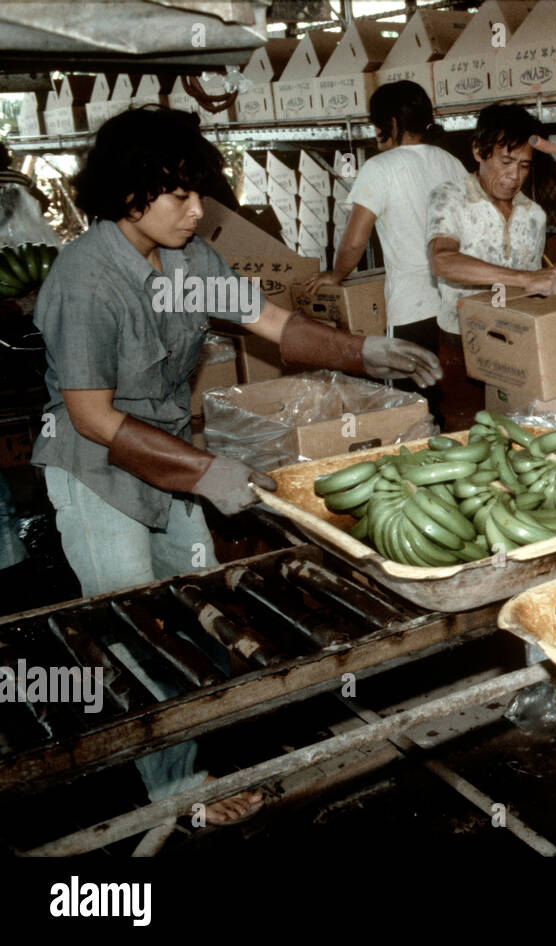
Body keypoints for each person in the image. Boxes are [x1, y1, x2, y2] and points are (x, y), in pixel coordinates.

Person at [31, 107, 441, 825]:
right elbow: (95, 419)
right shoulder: (85, 281)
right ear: (129, 193)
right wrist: (211, 475)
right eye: (179, 196)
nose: (197, 211)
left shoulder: (189, 263)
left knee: (199, 610)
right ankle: (174, 794)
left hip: (170, 454)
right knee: (135, 624)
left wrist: (366, 351)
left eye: (198, 194)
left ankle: (202, 754)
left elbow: (275, 325)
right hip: (97, 468)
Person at [300, 81, 463, 420]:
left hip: (410, 307)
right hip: (455, 300)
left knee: (407, 403)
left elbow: (356, 239)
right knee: (443, 392)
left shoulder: (380, 167)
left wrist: (337, 274)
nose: (374, 131)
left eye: (376, 123)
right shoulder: (450, 162)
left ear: (391, 123)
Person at [427, 103, 556, 431]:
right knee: (466, 438)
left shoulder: (534, 215)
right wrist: (523, 278)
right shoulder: (451, 198)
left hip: (516, 346)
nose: (513, 176)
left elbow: (532, 295)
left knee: (520, 435)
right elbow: (443, 261)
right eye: (505, 161)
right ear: (479, 151)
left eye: (524, 166)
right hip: (462, 346)